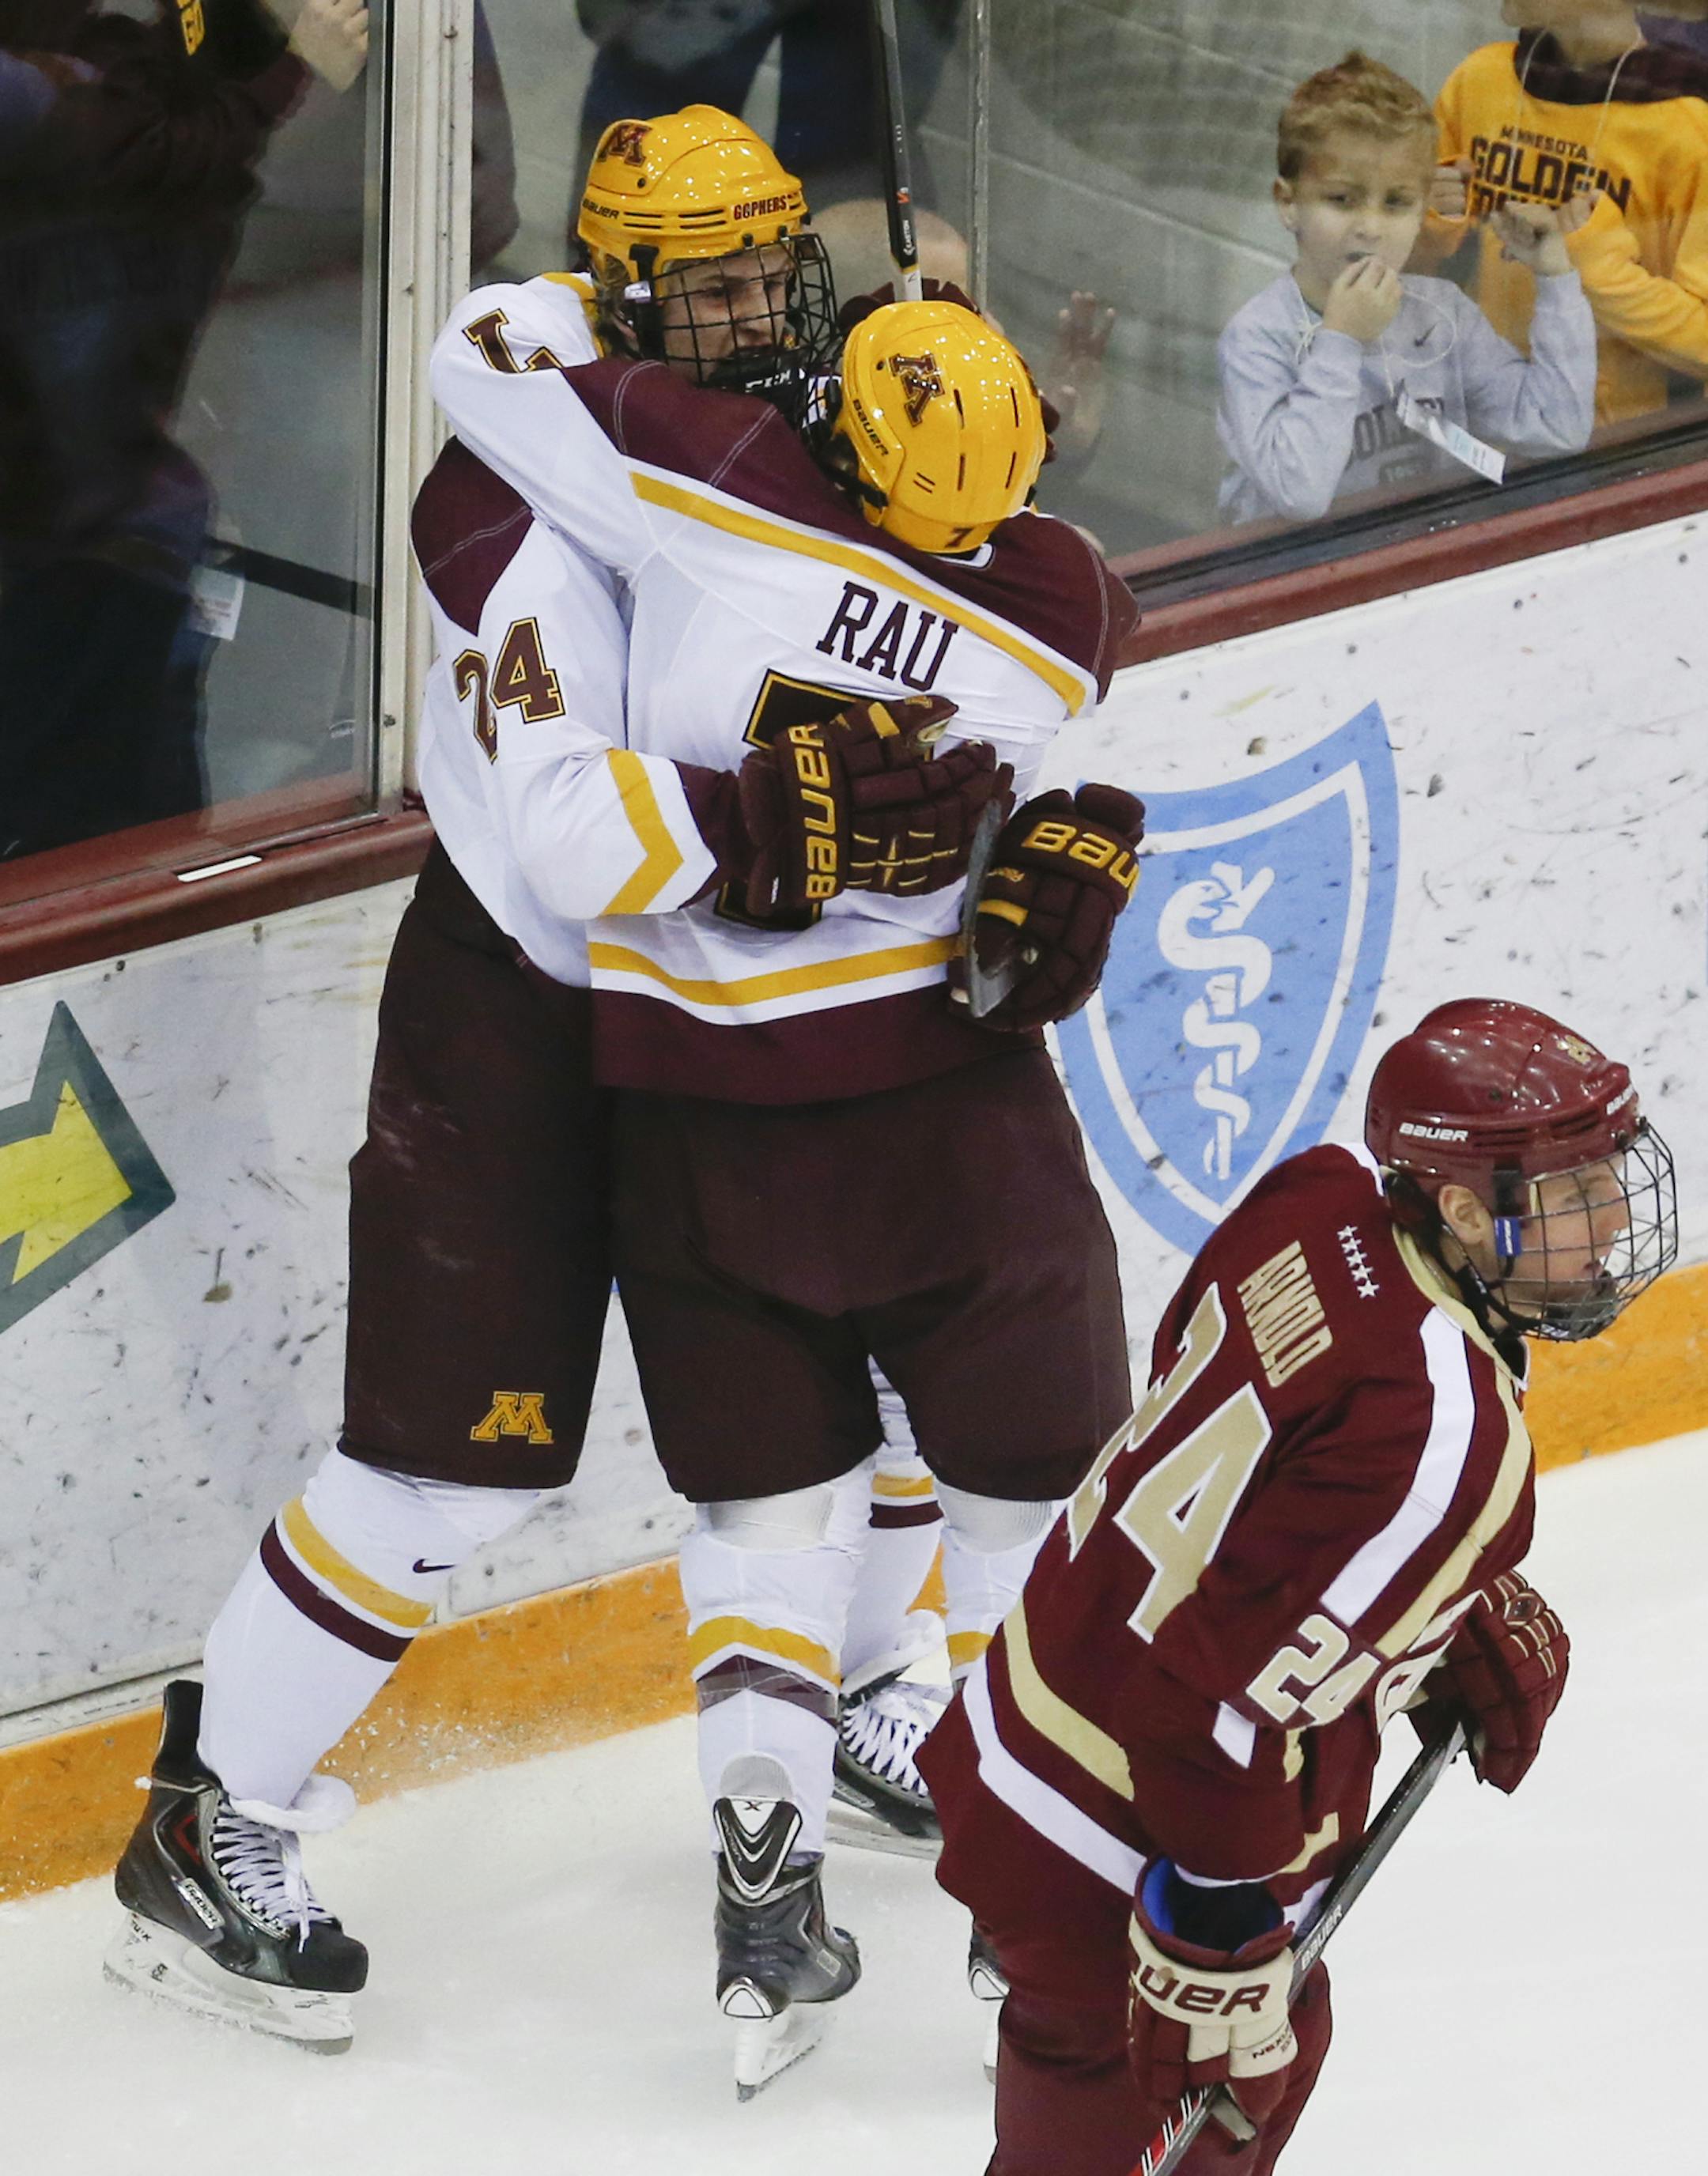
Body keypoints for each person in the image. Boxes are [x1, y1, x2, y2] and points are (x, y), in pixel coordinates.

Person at [100, 104, 1006, 2057]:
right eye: (713, 286)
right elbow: (564, 830)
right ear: (614, 298)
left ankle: (863, 1701)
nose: (759, 314)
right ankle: (210, 1820)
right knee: (446, 1470)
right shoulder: (503, 508)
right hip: (524, 1019)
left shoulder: (763, 437)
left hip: (734, 992)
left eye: (777, 273)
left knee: (869, 1348)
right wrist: (811, 824)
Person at [427, 108, 1143, 2095]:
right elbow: (1039, 805)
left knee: (768, 1517)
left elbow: (475, 384)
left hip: (691, 1117)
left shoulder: (708, 479)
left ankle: (761, 1883)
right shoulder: (1065, 615)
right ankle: (1035, 1905)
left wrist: (751, 826)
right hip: (947, 1120)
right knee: (1030, 1517)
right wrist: (1066, 855)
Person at [917, 997, 1677, 2174]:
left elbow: (1212, 1400)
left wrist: (1419, 1618)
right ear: (1468, 1212)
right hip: (1110, 1843)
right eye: (1573, 1193)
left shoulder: (1316, 1199)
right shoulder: (1452, 1437)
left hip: (1035, 1704)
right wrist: (1214, 1934)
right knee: (1207, 2099)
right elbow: (1212, 1712)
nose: (1611, 1220)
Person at [0, 0, 368, 861]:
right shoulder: (55, 92)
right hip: (59, 527)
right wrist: (286, 73)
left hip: (124, 521)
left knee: (140, 831)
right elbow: (124, 146)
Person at [1217, 50, 1596, 526]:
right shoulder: (1257, 338)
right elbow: (1300, 496)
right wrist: (1341, 341)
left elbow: (1556, 429)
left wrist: (1555, 276)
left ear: (1421, 213)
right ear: (1288, 203)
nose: (1370, 227)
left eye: (1396, 203)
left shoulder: (1443, 315)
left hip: (1424, 558)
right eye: (1341, 199)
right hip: (1298, 579)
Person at [1427, 2, 1708, 426]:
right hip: (1473, 412)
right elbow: (1410, 273)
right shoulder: (1478, 80)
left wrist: (1596, 271)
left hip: (1609, 443)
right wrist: (1431, 219)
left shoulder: (1687, 128)